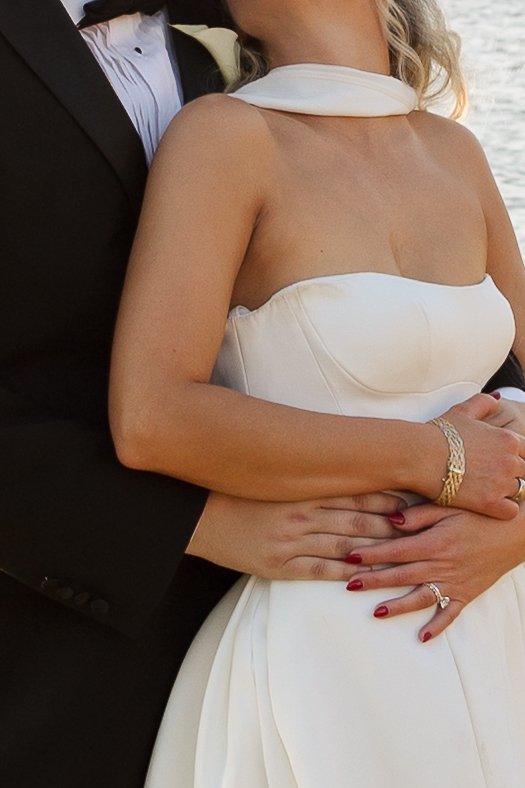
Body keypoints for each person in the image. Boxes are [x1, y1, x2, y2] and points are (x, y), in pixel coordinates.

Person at [108, 0, 525, 785]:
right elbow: (153, 418)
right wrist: (438, 457)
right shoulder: (225, 136)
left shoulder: (453, 148)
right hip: (337, 632)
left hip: (499, 606)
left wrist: (520, 515)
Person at [0, 2, 416, 786]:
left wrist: (509, 494)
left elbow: (416, 301)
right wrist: (192, 525)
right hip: (53, 658)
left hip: (339, 664)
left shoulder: (272, 24)